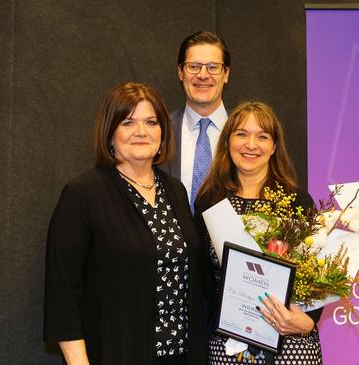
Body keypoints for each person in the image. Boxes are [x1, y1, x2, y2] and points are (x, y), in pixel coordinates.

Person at [44, 82, 206, 365]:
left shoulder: (175, 190)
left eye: (151, 122)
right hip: (117, 351)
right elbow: (63, 291)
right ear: (110, 132)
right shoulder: (83, 194)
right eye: (128, 122)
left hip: (182, 355)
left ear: (162, 133)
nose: (141, 132)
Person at [194, 101, 323, 365]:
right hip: (228, 344)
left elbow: (317, 275)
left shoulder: (297, 201)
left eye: (262, 136)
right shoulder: (209, 201)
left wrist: (308, 321)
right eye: (241, 134)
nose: (250, 145)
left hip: (289, 341)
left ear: (274, 146)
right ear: (227, 141)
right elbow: (202, 276)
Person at [162, 31, 231, 210]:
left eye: (213, 67)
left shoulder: (248, 134)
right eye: (193, 66)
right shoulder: (159, 130)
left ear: (226, 74)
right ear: (180, 73)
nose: (202, 75)